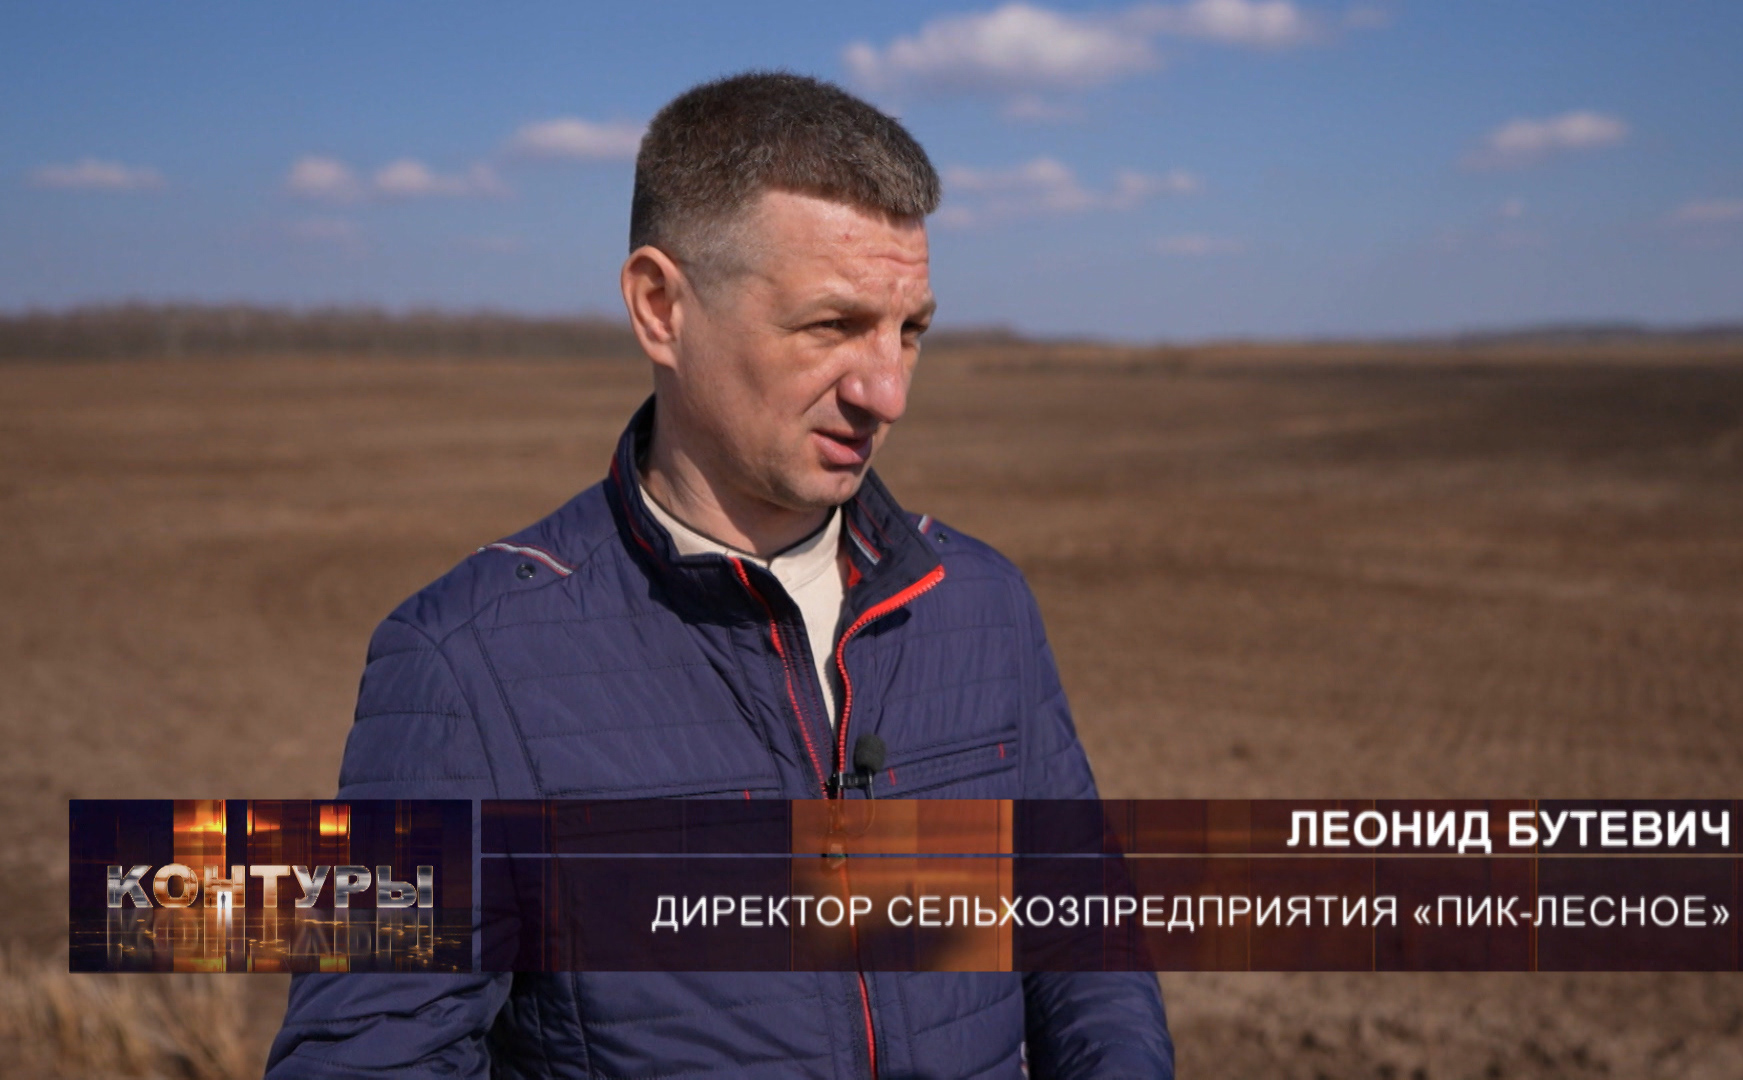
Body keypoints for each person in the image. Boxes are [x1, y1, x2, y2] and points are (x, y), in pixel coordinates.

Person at [268, 71, 1173, 1079]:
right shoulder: (467, 665)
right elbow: (372, 1058)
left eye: (909, 330)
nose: (887, 392)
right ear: (661, 307)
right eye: (831, 326)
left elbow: (1090, 955)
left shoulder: (979, 606)